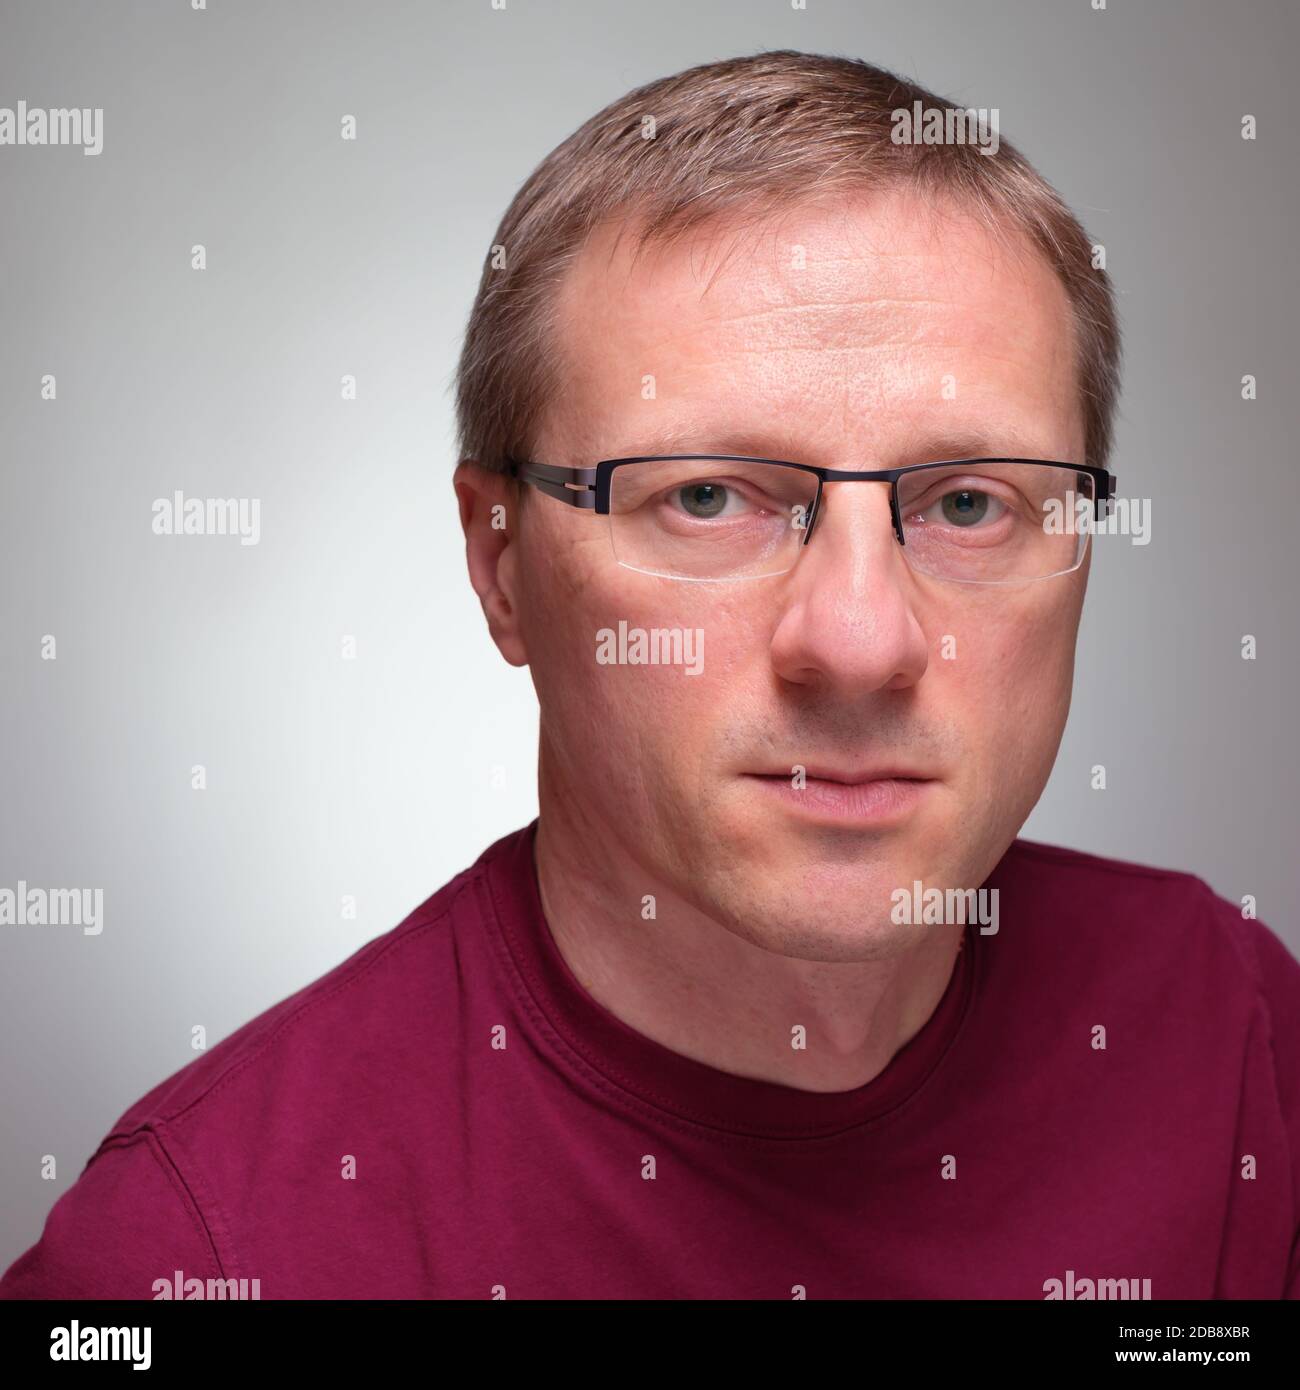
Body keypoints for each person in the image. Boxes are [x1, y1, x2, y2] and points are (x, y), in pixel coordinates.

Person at [4, 49, 1297, 1301]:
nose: (859, 642)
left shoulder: (1233, 1036)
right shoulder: (197, 1249)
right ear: (500, 562)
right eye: (706, 495)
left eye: (968, 501)